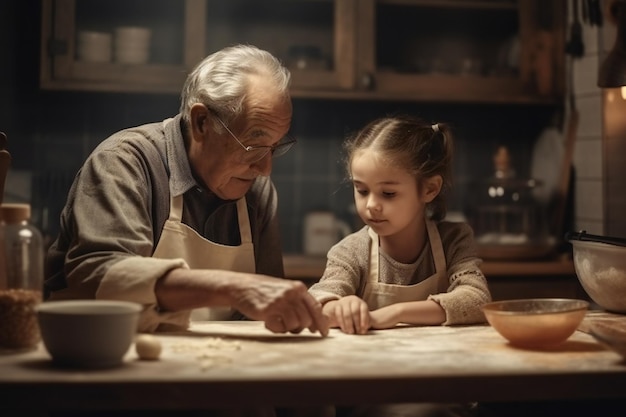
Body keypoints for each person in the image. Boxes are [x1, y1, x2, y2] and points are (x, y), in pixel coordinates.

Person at [44, 44, 328, 339]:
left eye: (274, 147)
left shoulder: (257, 191)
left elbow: (265, 307)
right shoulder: (125, 163)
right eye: (253, 146)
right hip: (100, 356)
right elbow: (97, 276)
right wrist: (233, 287)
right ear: (201, 122)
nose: (265, 169)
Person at [308, 114, 490, 417]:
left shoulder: (454, 239)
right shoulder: (351, 251)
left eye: (388, 193)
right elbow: (318, 300)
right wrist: (336, 306)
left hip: (441, 389)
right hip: (370, 394)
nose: (371, 205)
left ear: (429, 189)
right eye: (361, 190)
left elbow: (476, 298)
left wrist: (395, 314)